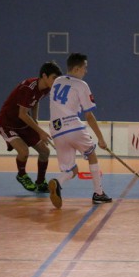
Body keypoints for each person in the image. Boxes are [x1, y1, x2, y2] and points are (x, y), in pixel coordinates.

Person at [47, 53, 112, 208]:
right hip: (73, 127)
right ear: (76, 69)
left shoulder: (57, 81)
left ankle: (57, 181)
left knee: (71, 170)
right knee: (91, 155)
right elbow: (89, 115)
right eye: (84, 68)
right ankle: (98, 193)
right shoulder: (81, 85)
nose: (86, 71)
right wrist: (101, 139)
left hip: (56, 130)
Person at [0, 61, 62, 192]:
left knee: (45, 151)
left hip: (24, 123)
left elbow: (35, 101)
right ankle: (22, 175)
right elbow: (22, 114)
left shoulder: (46, 88)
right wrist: (40, 131)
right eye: (54, 78)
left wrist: (35, 119)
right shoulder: (28, 87)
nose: (56, 81)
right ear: (44, 76)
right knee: (24, 151)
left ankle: (40, 182)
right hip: (7, 123)